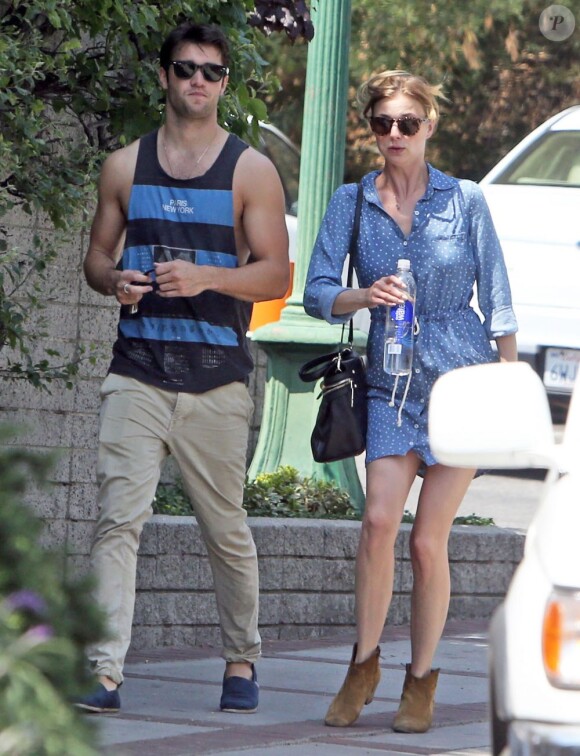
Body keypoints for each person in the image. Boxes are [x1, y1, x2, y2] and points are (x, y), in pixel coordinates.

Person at [77, 22, 289, 715]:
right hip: (136, 369)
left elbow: (276, 276)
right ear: (165, 77)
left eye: (211, 72)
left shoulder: (250, 170)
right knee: (117, 520)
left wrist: (205, 277)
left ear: (224, 85)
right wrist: (117, 284)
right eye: (186, 68)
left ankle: (241, 660)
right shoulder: (123, 167)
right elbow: (97, 259)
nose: (198, 80)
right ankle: (104, 673)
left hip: (217, 376)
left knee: (224, 526)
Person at [304, 70, 518, 733]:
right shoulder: (351, 202)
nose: (393, 134)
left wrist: (507, 388)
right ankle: (361, 663)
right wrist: (363, 296)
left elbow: (501, 303)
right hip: (391, 383)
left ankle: (421, 679)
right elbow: (314, 291)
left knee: (429, 543)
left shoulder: (467, 200)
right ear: (371, 128)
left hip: (462, 384)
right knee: (377, 524)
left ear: (430, 126)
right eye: (381, 123)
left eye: (407, 123)